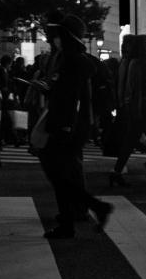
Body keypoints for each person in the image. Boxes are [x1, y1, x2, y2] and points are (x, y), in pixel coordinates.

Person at [35, 13, 112, 238]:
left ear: (65, 36)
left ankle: (74, 219)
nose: (53, 39)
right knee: (61, 173)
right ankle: (88, 209)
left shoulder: (73, 59)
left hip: (67, 123)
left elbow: (72, 96)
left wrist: (66, 126)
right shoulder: (71, 57)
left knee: (59, 172)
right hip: (69, 122)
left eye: (56, 34)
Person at [110, 34, 146, 185]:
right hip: (144, 107)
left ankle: (117, 172)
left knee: (131, 141)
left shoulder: (139, 63)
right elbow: (136, 90)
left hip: (142, 107)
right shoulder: (138, 64)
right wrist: (136, 110)